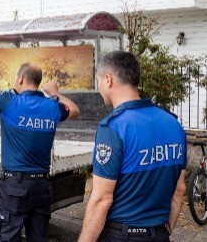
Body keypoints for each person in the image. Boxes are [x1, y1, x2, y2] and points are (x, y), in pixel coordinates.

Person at [0, 41, 80, 242]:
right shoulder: (52, 107)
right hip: (42, 186)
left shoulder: (10, 102)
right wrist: (55, 92)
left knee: (9, 238)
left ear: (20, 79)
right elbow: (75, 110)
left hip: (15, 189)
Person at [79, 51, 187, 242]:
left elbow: (102, 198)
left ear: (108, 80)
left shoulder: (113, 127)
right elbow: (179, 189)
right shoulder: (174, 125)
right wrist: (165, 229)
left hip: (122, 235)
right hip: (159, 234)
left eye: (98, 81)